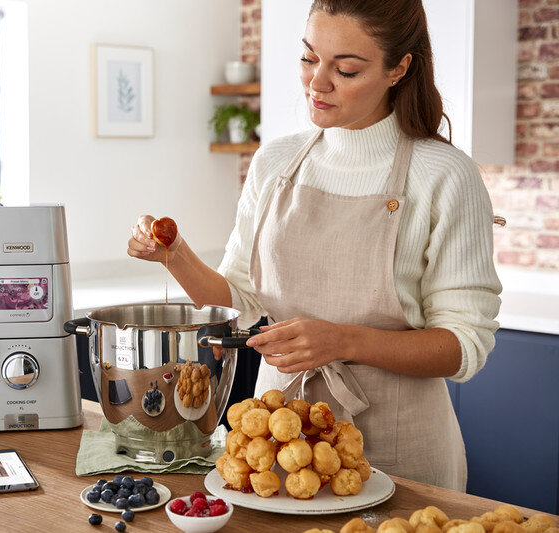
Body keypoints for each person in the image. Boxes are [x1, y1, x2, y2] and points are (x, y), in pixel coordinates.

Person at [127, 0, 501, 492]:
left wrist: (342, 340)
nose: (317, 82)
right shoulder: (276, 162)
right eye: (309, 58)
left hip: (401, 448)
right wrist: (172, 255)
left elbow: (464, 346)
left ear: (399, 68)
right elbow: (238, 299)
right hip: (275, 443)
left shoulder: (446, 176)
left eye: (345, 69)